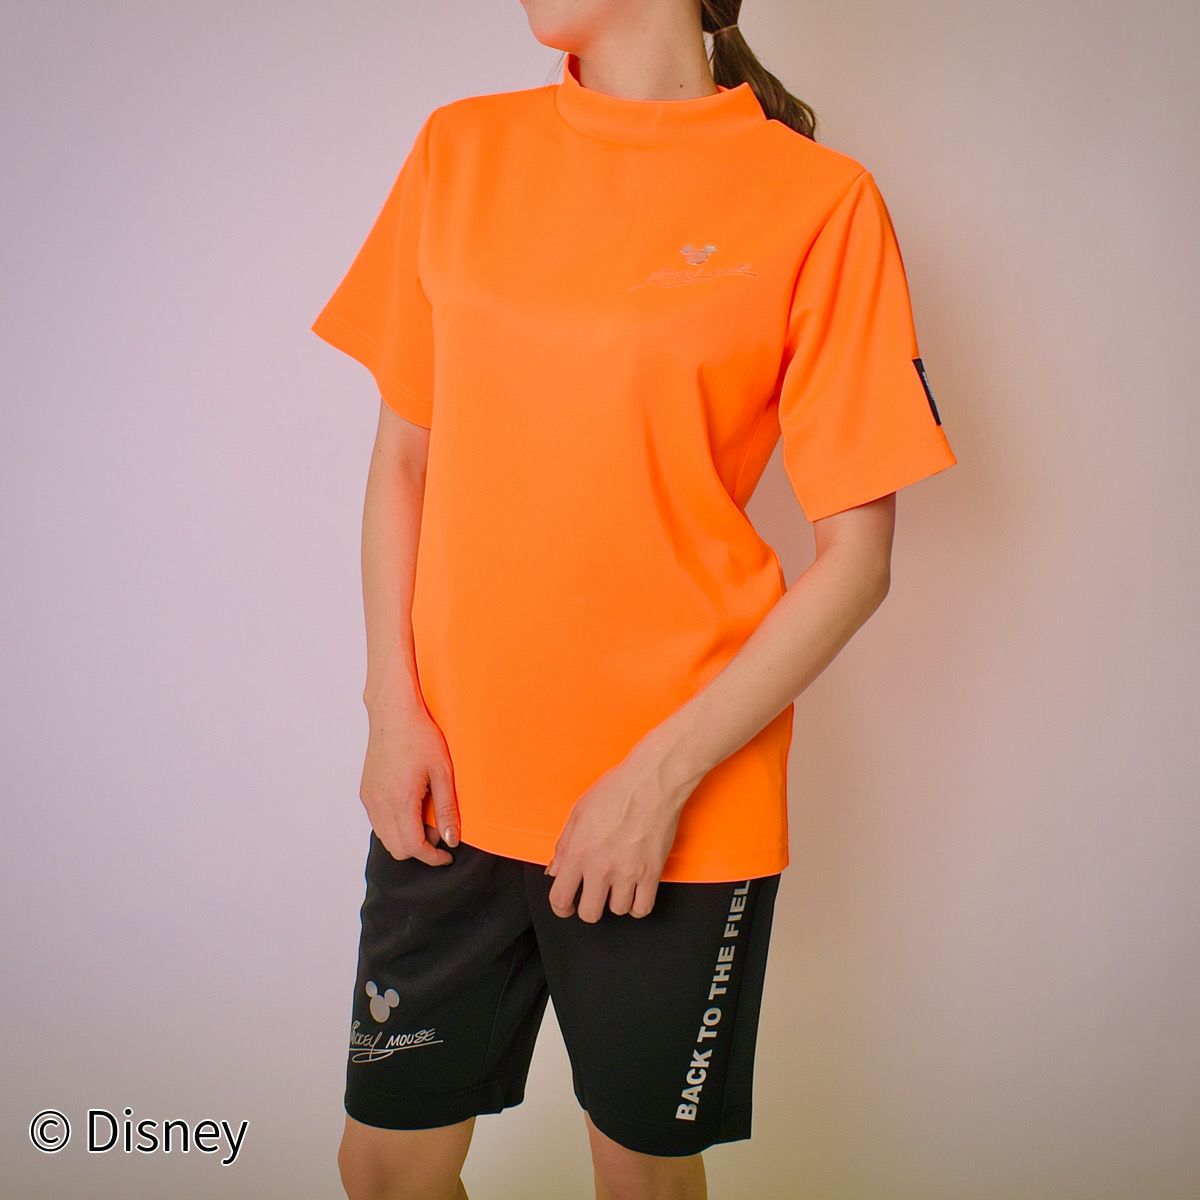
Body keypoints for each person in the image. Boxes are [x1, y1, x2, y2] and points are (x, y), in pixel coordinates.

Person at [310, 2, 958, 1197]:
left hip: (675, 804)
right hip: (448, 782)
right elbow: (404, 458)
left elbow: (858, 559)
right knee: (385, 1169)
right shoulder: (461, 149)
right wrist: (391, 712)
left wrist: (656, 782)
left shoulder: (819, 200)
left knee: (641, 1182)